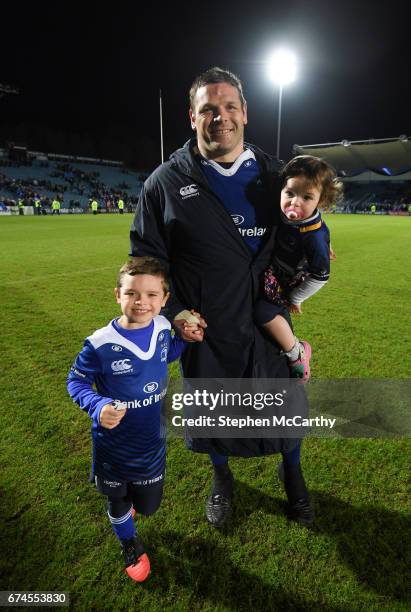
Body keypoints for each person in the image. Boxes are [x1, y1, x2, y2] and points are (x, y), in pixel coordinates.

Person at [130, 67, 314, 529]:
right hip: (207, 328)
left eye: (230, 106)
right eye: (208, 109)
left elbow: (309, 224)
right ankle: (222, 479)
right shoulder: (164, 184)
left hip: (265, 321)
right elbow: (147, 258)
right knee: (213, 412)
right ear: (191, 118)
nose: (221, 117)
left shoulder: (278, 176)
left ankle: (293, 476)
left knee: (285, 406)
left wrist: (312, 256)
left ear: (245, 113)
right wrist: (172, 313)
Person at [67, 257, 203, 582]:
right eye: (131, 293)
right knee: (117, 499)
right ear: (118, 295)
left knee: (150, 506)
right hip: (112, 447)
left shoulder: (161, 327)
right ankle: (129, 543)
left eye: (151, 295)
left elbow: (164, 354)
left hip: (151, 444)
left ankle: (132, 510)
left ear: (165, 300)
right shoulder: (99, 344)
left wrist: (183, 340)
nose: (141, 301)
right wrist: (97, 405)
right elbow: (76, 381)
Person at [255, 155, 343, 381]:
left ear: (321, 201)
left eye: (307, 197)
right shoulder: (286, 215)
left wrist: (296, 298)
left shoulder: (314, 237)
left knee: (263, 312)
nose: (295, 203)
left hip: (290, 281)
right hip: (276, 270)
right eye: (290, 193)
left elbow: (321, 276)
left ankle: (296, 351)